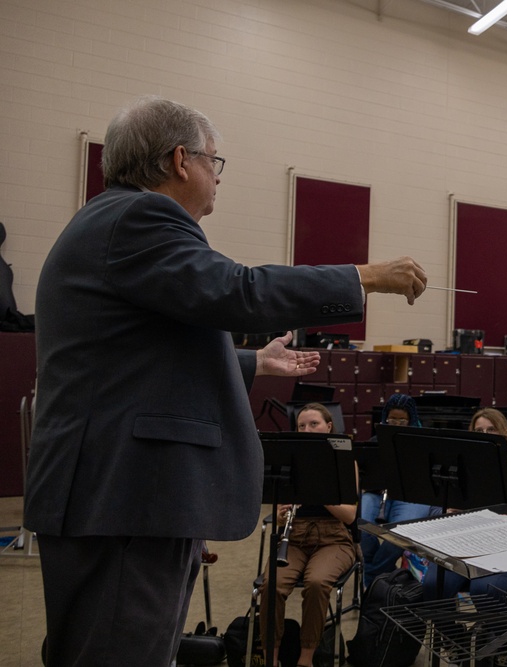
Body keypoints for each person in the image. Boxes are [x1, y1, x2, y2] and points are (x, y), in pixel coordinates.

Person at [22, 96, 427, 666]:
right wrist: (363, 275)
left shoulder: (108, 221)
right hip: (124, 496)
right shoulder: (141, 218)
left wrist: (255, 363)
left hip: (112, 492)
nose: (218, 177)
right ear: (181, 160)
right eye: (216, 161)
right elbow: (237, 290)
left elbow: (137, 358)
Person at [259, 404, 358, 667]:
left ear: (329, 427)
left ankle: (306, 658)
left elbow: (349, 516)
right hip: (295, 536)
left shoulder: (346, 462)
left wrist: (319, 493)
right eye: (302, 426)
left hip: (334, 539)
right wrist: (281, 515)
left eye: (314, 424)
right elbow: (278, 514)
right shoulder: (291, 462)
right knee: (272, 585)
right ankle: (272, 657)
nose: (307, 429)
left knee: (316, 583)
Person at [421, 409, 507, 600]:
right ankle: (448, 630)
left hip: (504, 548)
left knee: (485, 589)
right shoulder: (458, 466)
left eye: (492, 430)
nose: (485, 436)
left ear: (504, 434)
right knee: (433, 585)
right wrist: (445, 510)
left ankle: (493, 631)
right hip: (460, 546)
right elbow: (435, 507)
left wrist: (491, 502)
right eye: (479, 431)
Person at [360, 394, 433, 587]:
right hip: (377, 493)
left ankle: (373, 578)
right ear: (385, 418)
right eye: (393, 419)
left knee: (402, 534)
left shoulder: (422, 441)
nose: (397, 424)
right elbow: (365, 474)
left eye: (402, 420)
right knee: (362, 526)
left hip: (412, 496)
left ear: (411, 420)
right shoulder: (375, 441)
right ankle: (380, 579)